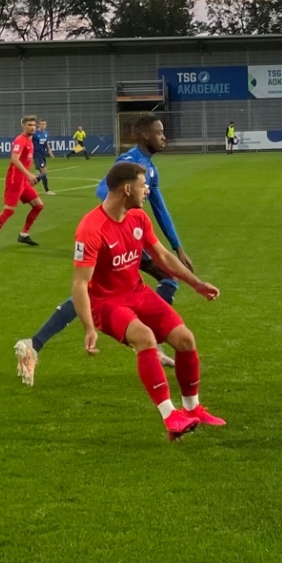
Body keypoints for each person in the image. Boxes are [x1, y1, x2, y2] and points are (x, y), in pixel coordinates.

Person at [17, 115, 188, 384]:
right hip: (115, 238)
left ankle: (34, 344)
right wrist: (117, 220)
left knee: (96, 292)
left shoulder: (148, 168)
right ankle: (151, 345)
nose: (164, 136)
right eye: (159, 132)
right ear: (145, 136)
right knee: (160, 280)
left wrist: (177, 245)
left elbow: (160, 207)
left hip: (127, 237)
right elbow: (103, 191)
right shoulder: (130, 163)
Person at [71, 159, 223, 439]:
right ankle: (170, 417)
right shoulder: (91, 229)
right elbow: (80, 284)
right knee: (145, 338)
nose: (148, 191)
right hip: (106, 303)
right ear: (127, 189)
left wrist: (196, 283)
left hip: (137, 293)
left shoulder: (139, 218)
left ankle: (191, 409)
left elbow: (163, 256)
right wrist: (89, 328)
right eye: (144, 186)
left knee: (185, 339)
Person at [0, 115, 45, 249]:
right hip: (14, 180)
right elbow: (14, 159)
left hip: (23, 181)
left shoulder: (30, 141)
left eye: (33, 125)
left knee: (38, 206)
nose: (32, 127)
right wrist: (28, 174)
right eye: (29, 125)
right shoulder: (20, 140)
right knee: (9, 211)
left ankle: (24, 235)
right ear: (23, 126)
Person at [33, 119, 54, 194]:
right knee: (43, 171)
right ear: (38, 125)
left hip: (43, 154)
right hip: (37, 154)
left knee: (43, 173)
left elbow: (46, 143)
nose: (43, 126)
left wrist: (50, 152)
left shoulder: (45, 133)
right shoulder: (34, 133)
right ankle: (47, 190)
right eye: (41, 124)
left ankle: (29, 185)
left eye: (44, 124)